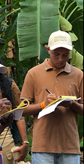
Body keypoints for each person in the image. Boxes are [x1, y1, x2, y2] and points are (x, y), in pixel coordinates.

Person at [21, 30, 83, 164]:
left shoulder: (78, 75)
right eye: (56, 54)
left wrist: (72, 105)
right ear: (48, 49)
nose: (61, 59)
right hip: (43, 147)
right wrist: (44, 104)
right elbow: (22, 110)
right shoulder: (33, 74)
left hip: (70, 147)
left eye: (65, 55)